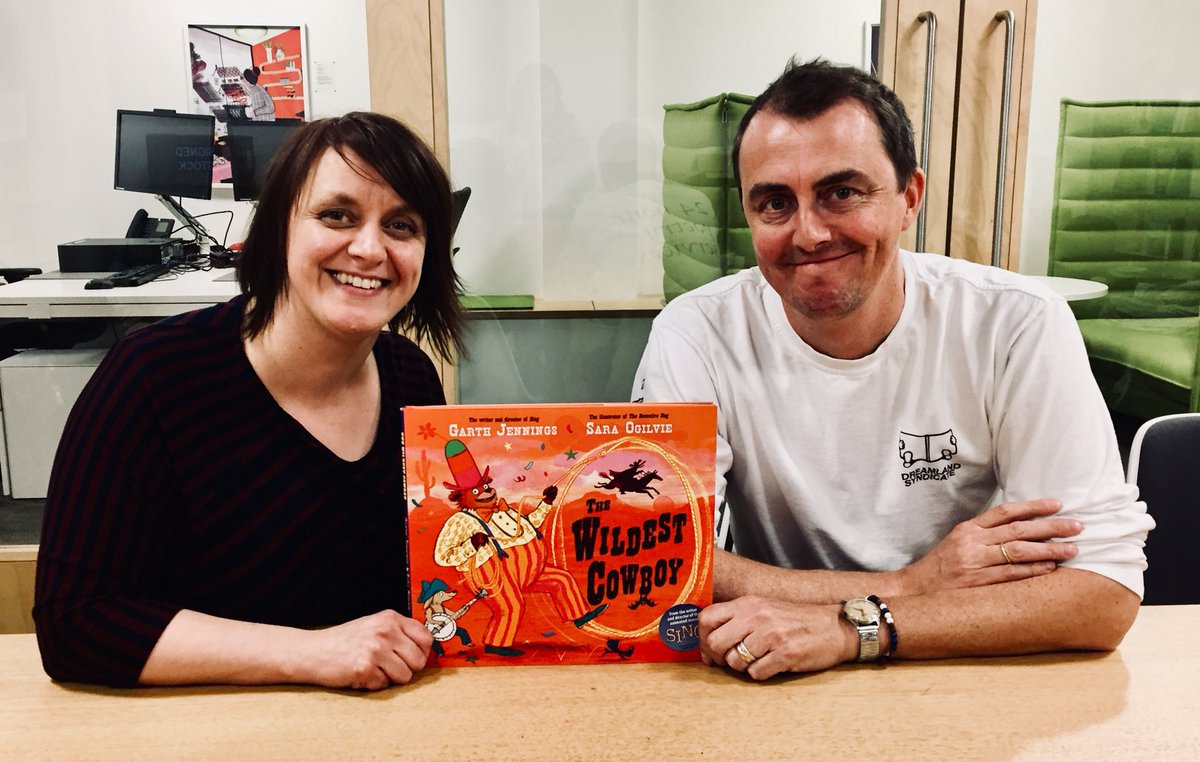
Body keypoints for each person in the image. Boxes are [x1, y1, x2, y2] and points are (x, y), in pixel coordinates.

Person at [631, 58, 1154, 680]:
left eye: (841, 193)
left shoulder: (1015, 324)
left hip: (969, 674)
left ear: (909, 198)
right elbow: (655, 561)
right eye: (775, 203)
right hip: (774, 672)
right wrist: (911, 582)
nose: (810, 232)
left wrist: (853, 627)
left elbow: (1101, 597)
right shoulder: (695, 332)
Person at [34, 112, 465, 690]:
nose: (368, 248)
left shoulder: (413, 381)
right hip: (210, 731)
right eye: (336, 215)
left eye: (402, 225)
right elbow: (75, 623)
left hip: (385, 720)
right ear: (279, 227)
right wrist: (312, 653)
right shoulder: (152, 380)